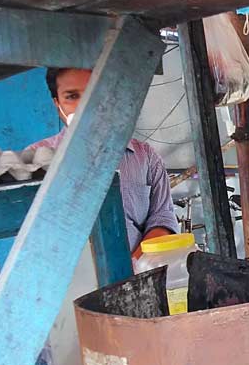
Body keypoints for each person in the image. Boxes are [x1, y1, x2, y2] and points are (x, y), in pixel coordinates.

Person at [28, 68, 179, 259]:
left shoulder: (145, 157)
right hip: (71, 285)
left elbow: (163, 218)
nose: (87, 105)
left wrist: (132, 266)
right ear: (57, 104)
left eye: (96, 92)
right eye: (72, 96)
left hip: (139, 276)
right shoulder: (35, 159)